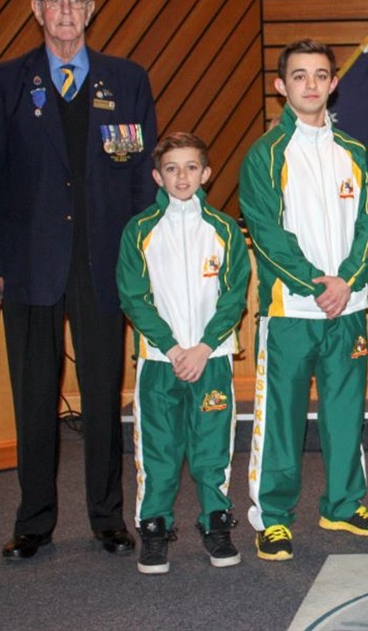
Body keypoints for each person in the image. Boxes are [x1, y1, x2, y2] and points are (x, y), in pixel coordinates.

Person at [0, 0, 158, 560]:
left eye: (75, 0)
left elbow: (140, 185)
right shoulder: (7, 82)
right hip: (30, 266)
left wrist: (141, 262)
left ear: (92, 8)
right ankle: (34, 520)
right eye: (54, 1)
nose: (65, 10)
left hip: (103, 264)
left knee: (103, 394)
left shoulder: (126, 80)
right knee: (33, 397)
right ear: (36, 10)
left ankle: (107, 517)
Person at [239, 39, 368, 561]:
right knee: (280, 416)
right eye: (299, 76)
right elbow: (265, 232)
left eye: (320, 75)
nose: (310, 85)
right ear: (282, 86)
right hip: (290, 312)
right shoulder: (265, 155)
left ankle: (344, 504)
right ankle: (273, 517)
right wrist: (314, 283)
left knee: (346, 413)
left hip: (348, 307)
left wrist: (347, 279)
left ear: (333, 83)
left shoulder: (358, 154)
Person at [117, 132, 250, 573]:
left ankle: (216, 524)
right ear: (157, 175)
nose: (182, 176)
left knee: (213, 448)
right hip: (160, 363)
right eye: (171, 168)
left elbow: (234, 296)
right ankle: (153, 529)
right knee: (159, 450)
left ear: (206, 173)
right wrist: (174, 349)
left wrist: (204, 346)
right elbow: (133, 297)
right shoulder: (139, 230)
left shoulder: (226, 229)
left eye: (191, 167)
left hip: (211, 360)